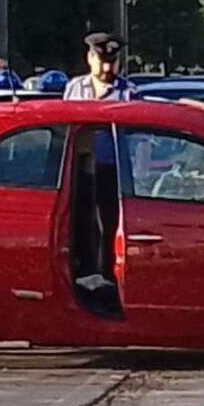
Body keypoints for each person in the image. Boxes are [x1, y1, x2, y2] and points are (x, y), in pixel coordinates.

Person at [65, 32, 136, 295]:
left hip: (111, 169)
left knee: (110, 224)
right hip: (80, 168)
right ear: (89, 58)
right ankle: (82, 273)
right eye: (102, 61)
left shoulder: (127, 92)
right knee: (80, 221)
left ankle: (107, 276)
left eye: (112, 61)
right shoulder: (74, 88)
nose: (107, 68)